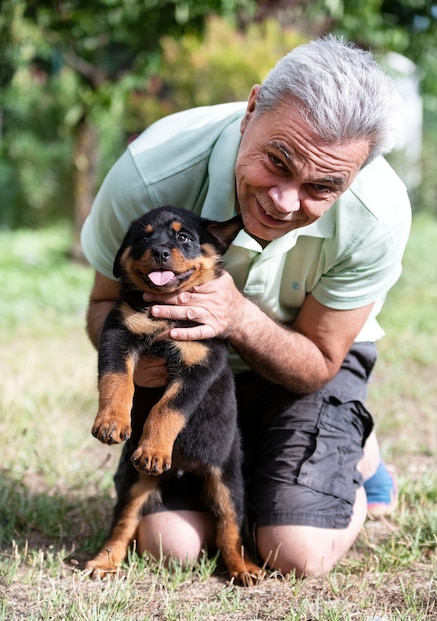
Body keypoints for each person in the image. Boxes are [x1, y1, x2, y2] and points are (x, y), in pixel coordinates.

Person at [81, 34, 411, 577]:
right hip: (187, 385)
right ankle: (265, 460)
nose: (284, 202)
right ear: (252, 109)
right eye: (277, 162)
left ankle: (359, 455)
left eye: (321, 187)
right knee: (171, 547)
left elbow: (319, 362)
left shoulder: (379, 214)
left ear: (357, 174)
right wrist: (142, 369)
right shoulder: (148, 172)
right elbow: (102, 307)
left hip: (301, 364)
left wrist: (236, 317)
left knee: (292, 552)